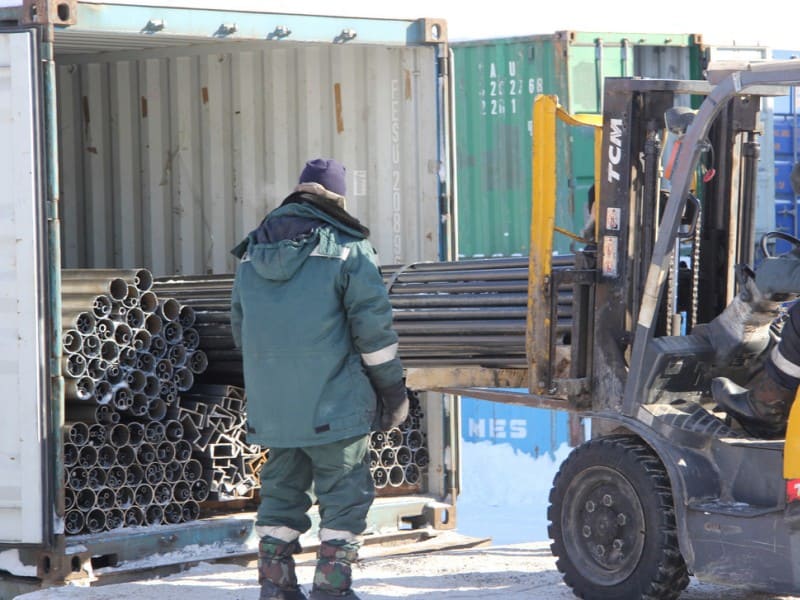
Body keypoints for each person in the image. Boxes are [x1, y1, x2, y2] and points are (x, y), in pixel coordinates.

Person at [230, 158, 408, 600]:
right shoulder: (349, 248)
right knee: (345, 492)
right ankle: (332, 589)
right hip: (336, 403)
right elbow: (373, 332)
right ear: (339, 198)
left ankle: (276, 586)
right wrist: (392, 390)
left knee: (282, 491)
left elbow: (241, 328)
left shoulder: (252, 251)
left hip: (275, 406)